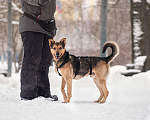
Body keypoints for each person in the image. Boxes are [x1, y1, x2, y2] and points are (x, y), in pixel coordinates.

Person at [19, 0, 58, 101]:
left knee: (45, 60)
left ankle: (43, 92)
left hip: (48, 27)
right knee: (32, 59)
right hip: (31, 24)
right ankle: (28, 93)